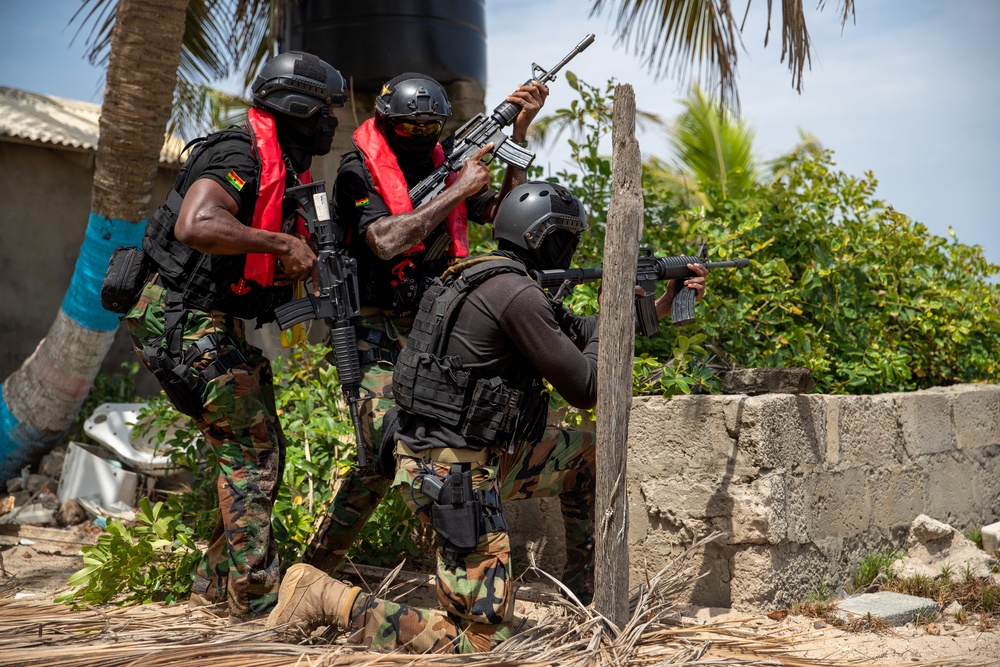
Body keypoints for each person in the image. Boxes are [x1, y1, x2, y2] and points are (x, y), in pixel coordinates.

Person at [268, 181, 709, 652]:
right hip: (455, 479)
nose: (573, 248)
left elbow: (581, 333)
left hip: (451, 456)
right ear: (545, 238)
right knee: (481, 643)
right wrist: (614, 307)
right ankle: (326, 597)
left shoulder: (484, 276)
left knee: (588, 457)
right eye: (569, 238)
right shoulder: (516, 295)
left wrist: (653, 307)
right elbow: (587, 387)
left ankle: (585, 592)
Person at [122, 51, 347, 621]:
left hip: (210, 318)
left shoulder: (286, 164)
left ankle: (213, 588)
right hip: (177, 315)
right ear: (297, 107)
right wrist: (279, 246)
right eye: (325, 110)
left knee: (259, 444)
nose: (331, 123)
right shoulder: (237, 153)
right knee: (251, 451)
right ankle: (258, 602)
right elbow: (195, 224)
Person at [302, 73, 549, 573]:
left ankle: (315, 568)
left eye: (431, 128)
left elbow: (501, 213)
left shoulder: (445, 160)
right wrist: (456, 191)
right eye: (409, 128)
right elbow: (386, 241)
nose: (420, 137)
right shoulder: (357, 171)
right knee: (394, 440)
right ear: (387, 122)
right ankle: (322, 568)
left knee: (390, 458)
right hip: (372, 330)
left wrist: (518, 137)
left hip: (430, 327)